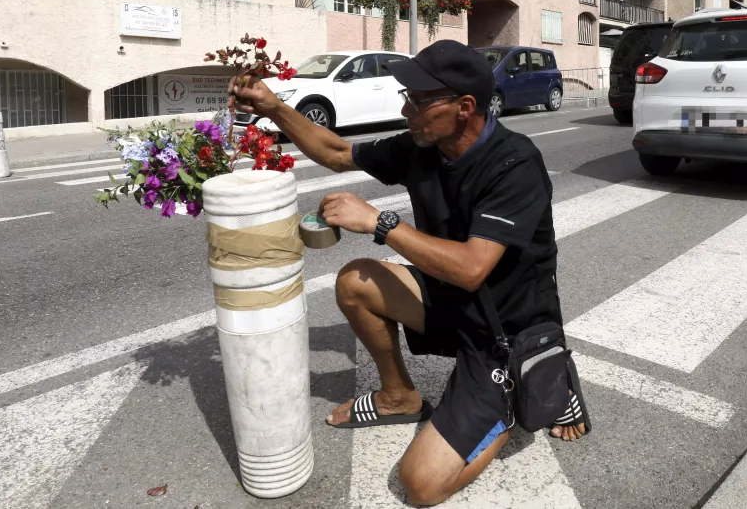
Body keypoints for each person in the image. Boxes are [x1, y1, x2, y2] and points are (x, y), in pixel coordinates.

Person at [227, 40, 589, 506]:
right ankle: (400, 398)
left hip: (504, 333)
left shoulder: (514, 164)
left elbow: (473, 268)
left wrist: (381, 223)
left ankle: (523, 393)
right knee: (355, 282)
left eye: (418, 100)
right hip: (448, 301)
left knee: (422, 484)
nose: (404, 108)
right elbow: (337, 152)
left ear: (464, 108)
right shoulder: (424, 145)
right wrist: (275, 109)